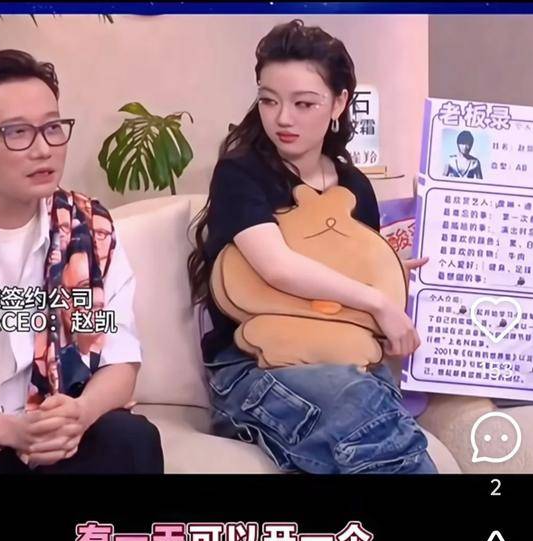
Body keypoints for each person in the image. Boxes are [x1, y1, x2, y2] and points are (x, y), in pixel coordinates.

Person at [187, 19, 437, 474]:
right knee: (367, 411)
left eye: (304, 103)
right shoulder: (240, 173)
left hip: (345, 360)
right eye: (269, 100)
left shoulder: (355, 186)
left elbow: (353, 280)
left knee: (375, 428)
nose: (283, 118)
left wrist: (389, 276)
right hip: (252, 369)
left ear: (340, 102)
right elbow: (276, 266)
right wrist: (378, 300)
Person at [0, 49, 163, 474]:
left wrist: (79, 415)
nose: (43, 149)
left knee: (130, 437)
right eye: (17, 132)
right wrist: (3, 430)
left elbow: (119, 360)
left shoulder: (87, 230)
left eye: (52, 128)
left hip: (58, 435)